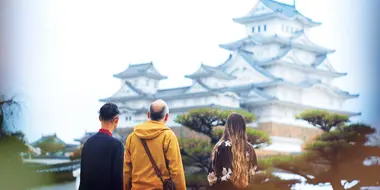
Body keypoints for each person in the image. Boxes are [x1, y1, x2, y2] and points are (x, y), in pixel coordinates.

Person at [123, 99, 186, 190]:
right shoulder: (168, 136)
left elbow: (127, 170)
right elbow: (176, 170)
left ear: (148, 115)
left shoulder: (132, 137)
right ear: (166, 117)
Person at [79, 103, 124, 190]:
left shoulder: (88, 143)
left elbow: (83, 176)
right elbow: (118, 180)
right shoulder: (116, 145)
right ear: (116, 120)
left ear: (99, 118)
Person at [207, 113, 258, 190]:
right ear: (243, 127)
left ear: (228, 127)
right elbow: (253, 172)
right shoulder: (250, 148)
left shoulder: (221, 146)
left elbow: (212, 173)